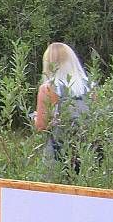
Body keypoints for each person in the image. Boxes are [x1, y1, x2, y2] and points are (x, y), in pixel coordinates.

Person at [34, 42, 94, 174]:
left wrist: (34, 118)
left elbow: (41, 126)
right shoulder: (90, 86)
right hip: (88, 153)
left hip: (58, 154)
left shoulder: (49, 88)